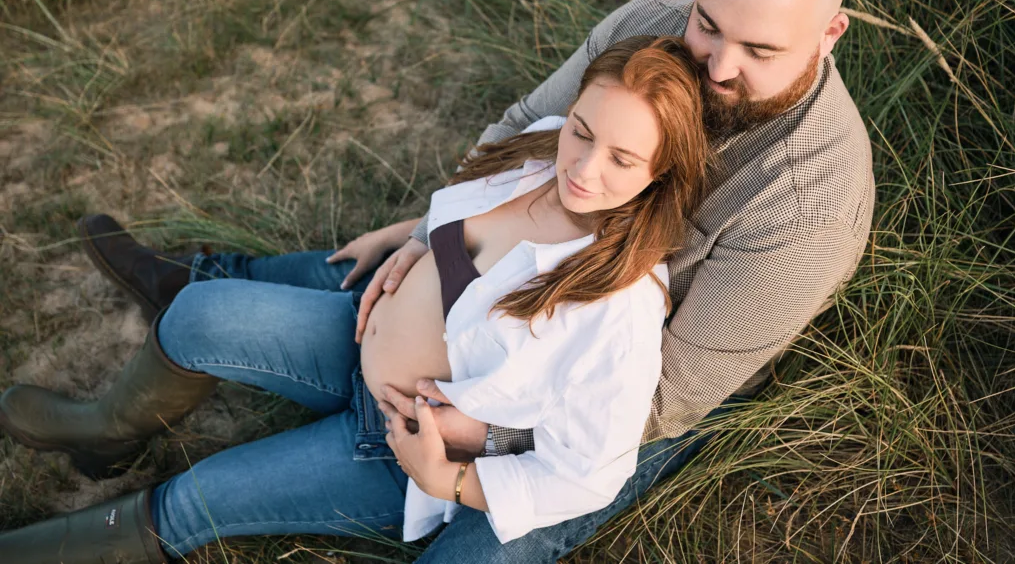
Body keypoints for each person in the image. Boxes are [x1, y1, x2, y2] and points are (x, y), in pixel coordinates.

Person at [0, 0, 876, 564]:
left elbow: (658, 401)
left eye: (758, 53)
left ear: (830, 33)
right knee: (347, 270)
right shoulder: (654, 21)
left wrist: (457, 449)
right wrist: (433, 237)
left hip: (566, 396)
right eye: (710, 24)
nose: (715, 65)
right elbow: (523, 127)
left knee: (466, 545)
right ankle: (186, 309)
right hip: (486, 289)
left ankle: (215, 305)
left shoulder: (806, 203)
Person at [0, 35, 711, 562]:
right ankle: (104, 431)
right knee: (197, 313)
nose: (583, 167)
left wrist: (448, 477)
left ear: (661, 171)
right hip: (349, 337)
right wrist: (416, 242)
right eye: (584, 131)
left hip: (393, 445)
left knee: (197, 498)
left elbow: (589, 473)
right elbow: (463, 216)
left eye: (622, 159)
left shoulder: (620, 305)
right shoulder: (545, 145)